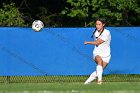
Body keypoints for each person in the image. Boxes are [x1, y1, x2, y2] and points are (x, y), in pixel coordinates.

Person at [84, 18, 111, 85]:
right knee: (100, 61)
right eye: (96, 24)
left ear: (103, 24)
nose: (97, 26)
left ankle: (86, 83)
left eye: (99, 24)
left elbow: (98, 42)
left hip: (106, 55)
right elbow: (97, 42)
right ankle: (100, 81)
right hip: (97, 53)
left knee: (98, 72)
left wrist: (88, 42)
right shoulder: (95, 32)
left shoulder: (107, 32)